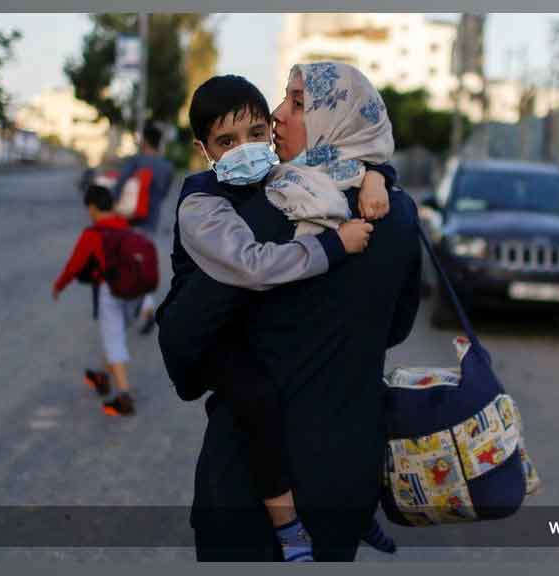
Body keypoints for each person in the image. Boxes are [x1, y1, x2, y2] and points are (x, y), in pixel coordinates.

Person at [159, 62, 421, 561]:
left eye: (298, 104)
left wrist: (198, 375)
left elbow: (183, 334)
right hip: (346, 478)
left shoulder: (264, 211)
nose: (279, 114)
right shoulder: (399, 212)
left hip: (247, 489)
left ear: (334, 118)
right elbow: (396, 327)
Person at [52, 186, 139, 416]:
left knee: (113, 340)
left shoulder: (94, 233)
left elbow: (74, 265)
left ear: (92, 208)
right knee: (116, 335)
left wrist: (59, 286)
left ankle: (124, 396)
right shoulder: (125, 226)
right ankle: (102, 375)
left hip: (110, 290)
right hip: (134, 291)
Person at [113, 125, 176, 335]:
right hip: (151, 222)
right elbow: (164, 193)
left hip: (129, 221)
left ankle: (128, 312)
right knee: (141, 263)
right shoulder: (167, 166)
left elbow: (119, 187)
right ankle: (146, 309)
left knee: (126, 265)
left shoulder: (135, 161)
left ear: (145, 141)